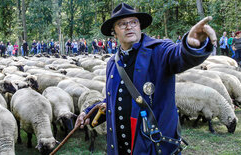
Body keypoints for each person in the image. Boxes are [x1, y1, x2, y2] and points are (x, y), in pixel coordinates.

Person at [75, 3, 216, 155]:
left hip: (152, 148)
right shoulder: (113, 63)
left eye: (133, 22)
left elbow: (179, 55)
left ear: (139, 26)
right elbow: (115, 99)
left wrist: (191, 45)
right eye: (122, 24)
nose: (129, 27)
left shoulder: (160, 50)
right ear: (113, 32)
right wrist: (89, 112)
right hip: (121, 149)